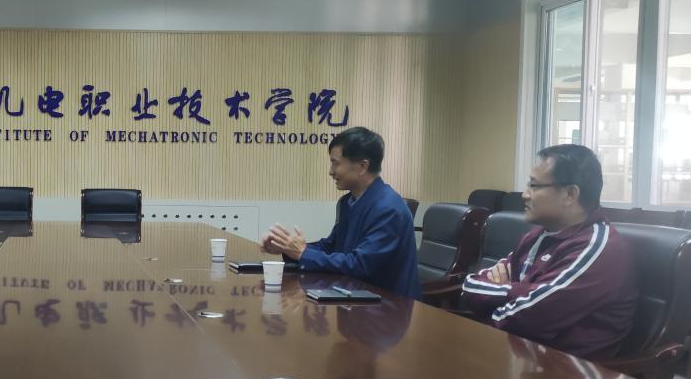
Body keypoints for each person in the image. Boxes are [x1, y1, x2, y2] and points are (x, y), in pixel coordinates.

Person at [461, 144, 636, 360]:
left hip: (568, 372)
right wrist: (523, 292)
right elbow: (470, 286)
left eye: (534, 186)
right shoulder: (538, 235)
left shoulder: (600, 248)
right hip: (522, 357)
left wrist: (503, 294)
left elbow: (525, 319)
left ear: (570, 194)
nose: (524, 195)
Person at [260, 127, 422, 299]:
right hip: (354, 299)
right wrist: (287, 248)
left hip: (389, 306)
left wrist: (303, 253)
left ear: (362, 166)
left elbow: (360, 266)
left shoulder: (389, 209)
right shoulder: (348, 202)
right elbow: (330, 246)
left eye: (335, 163)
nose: (331, 171)